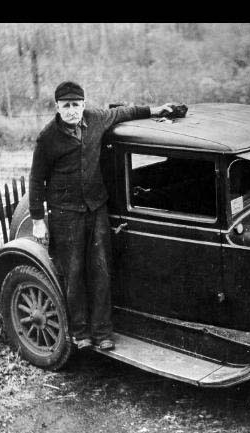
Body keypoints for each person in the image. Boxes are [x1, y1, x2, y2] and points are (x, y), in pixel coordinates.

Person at [29, 80, 172, 351]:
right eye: (66, 106)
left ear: (84, 104)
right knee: (74, 273)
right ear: (57, 107)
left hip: (96, 209)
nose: (72, 110)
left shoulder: (95, 118)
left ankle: (103, 333)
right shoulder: (48, 137)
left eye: (76, 104)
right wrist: (38, 220)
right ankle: (80, 333)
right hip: (65, 213)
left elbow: (125, 113)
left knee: (101, 269)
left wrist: (157, 110)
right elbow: (36, 180)